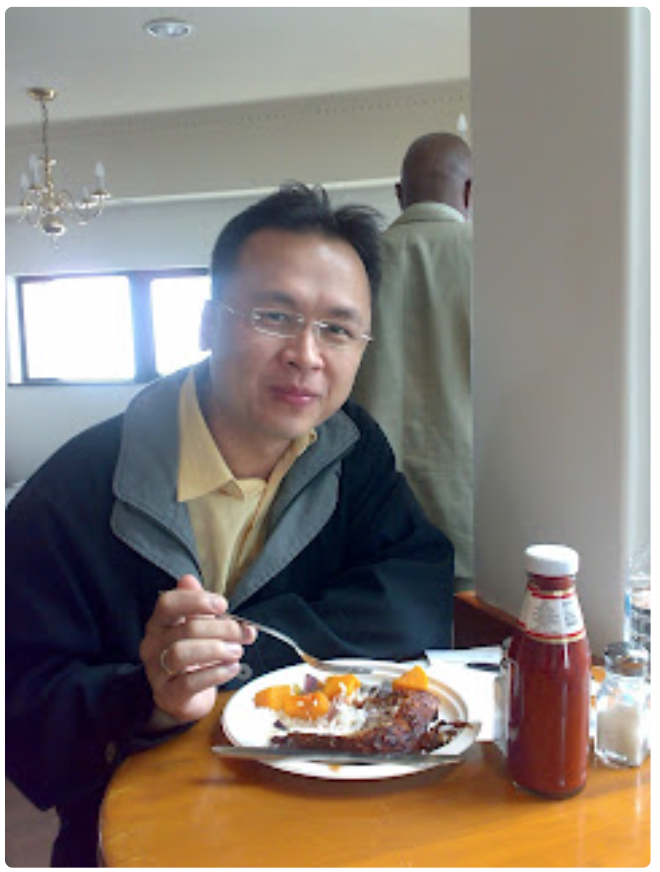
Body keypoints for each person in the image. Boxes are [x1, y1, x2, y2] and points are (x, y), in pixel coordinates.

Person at [6, 183, 454, 867]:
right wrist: (149, 696)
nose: (308, 354)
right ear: (209, 323)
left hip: (325, 815)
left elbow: (414, 585)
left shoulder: (352, 450)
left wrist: (250, 650)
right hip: (140, 829)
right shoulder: (67, 498)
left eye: (337, 328)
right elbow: (23, 720)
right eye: (276, 316)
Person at [352, 132, 474, 589]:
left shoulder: (355, 266)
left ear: (400, 195)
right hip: (473, 511)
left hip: (371, 509)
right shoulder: (500, 259)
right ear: (470, 191)